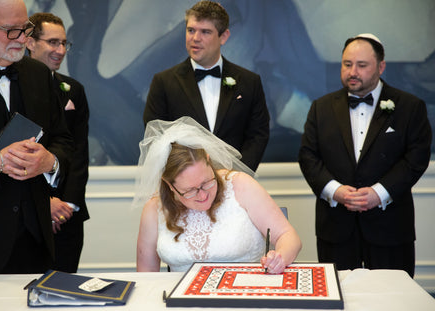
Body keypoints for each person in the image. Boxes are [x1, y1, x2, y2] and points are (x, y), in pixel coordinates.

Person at [298, 33, 432, 278]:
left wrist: (378, 193)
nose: (353, 72)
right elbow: (308, 156)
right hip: (336, 226)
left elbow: (416, 158)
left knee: (392, 301)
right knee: (341, 301)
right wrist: (334, 190)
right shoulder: (321, 107)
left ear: (381, 67)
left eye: (362, 65)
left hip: (390, 226)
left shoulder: (410, 107)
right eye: (347, 64)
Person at [0, 0, 73, 274]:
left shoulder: (39, 75)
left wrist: (50, 162)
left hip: (35, 245)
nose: (23, 38)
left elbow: (64, 142)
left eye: (26, 27)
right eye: (11, 30)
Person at [135, 116, 301, 273]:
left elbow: (288, 236)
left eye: (206, 182)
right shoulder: (154, 209)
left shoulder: (241, 185)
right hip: (181, 301)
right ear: (169, 185)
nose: (202, 195)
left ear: (208, 161)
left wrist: (279, 257)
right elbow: (146, 275)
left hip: (243, 294)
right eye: (190, 191)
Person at [143, 1, 270, 171]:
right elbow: (157, 137)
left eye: (205, 32)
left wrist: (237, 175)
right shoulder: (163, 82)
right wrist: (187, 177)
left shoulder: (249, 82)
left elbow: (257, 135)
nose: (195, 38)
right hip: (184, 185)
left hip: (235, 183)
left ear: (223, 37)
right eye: (191, 30)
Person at [27, 12, 90, 273]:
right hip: (28, 213)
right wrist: (45, 202)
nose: (60, 50)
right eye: (53, 42)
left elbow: (78, 152)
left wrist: (67, 206)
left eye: (65, 43)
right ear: (30, 42)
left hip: (68, 215)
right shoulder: (15, 86)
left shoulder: (73, 89)